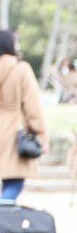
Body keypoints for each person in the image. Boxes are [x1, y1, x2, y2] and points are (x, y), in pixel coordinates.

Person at [0, 30, 48, 202]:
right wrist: (41, 135)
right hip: (12, 131)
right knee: (13, 183)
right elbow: (33, 107)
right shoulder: (20, 69)